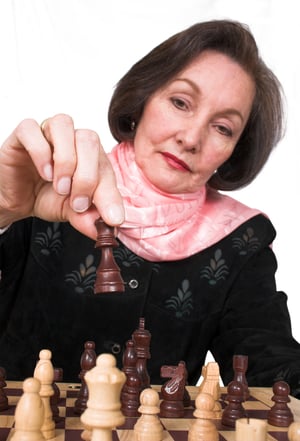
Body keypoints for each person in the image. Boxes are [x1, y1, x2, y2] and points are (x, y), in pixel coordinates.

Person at [1, 19, 300, 396]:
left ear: (235, 151)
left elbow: (274, 366)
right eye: (180, 103)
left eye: (223, 127)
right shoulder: (53, 185)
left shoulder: (241, 241)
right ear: (141, 100)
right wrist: (3, 207)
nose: (190, 138)